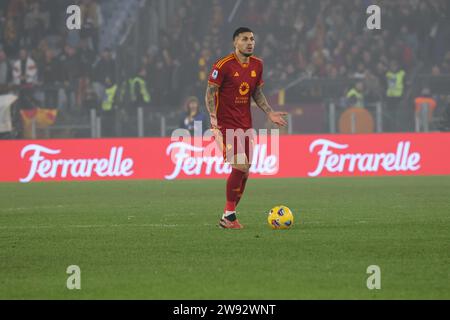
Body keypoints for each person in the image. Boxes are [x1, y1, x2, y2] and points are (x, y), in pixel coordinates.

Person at [205, 27, 287, 229]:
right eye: (245, 39)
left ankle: (227, 216)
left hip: (245, 124)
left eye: (252, 39)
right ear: (235, 43)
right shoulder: (223, 65)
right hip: (225, 124)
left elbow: (256, 93)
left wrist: (269, 112)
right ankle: (230, 217)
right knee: (240, 166)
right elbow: (209, 92)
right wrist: (213, 118)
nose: (250, 42)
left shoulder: (258, 64)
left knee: (246, 171)